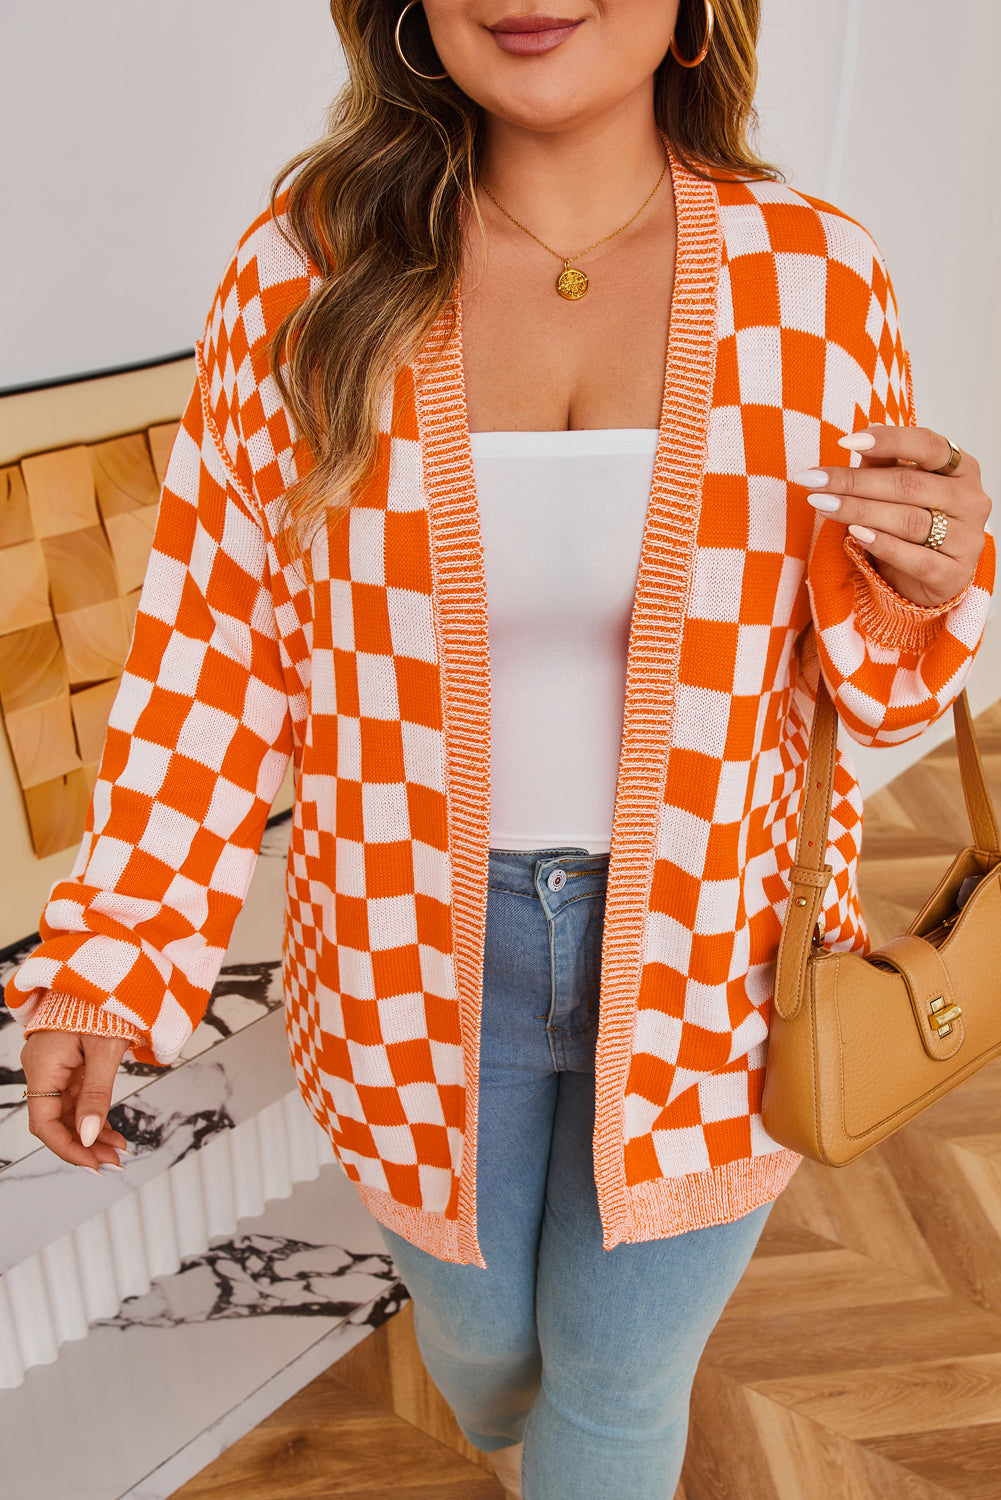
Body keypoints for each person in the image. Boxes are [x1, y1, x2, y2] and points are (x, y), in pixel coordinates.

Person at [7, 2, 995, 1497]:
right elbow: (210, 645)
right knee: (483, 1349)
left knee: (618, 1382)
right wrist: (112, 952)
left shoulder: (814, 275)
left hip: (718, 956)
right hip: (404, 953)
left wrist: (924, 581)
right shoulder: (305, 273)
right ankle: (503, 1428)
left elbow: (875, 685)